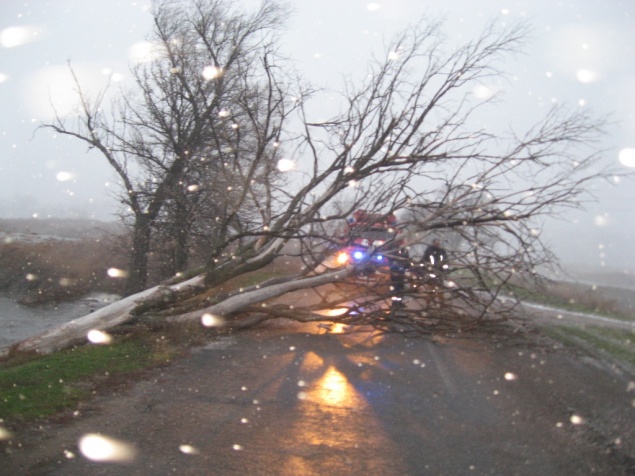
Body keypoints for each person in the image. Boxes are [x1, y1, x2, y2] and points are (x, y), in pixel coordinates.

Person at [419, 238, 448, 306]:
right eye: (436, 242)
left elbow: (445, 260)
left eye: (438, 242)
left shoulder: (442, 251)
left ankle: (442, 303)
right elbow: (424, 259)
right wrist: (425, 268)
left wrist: (445, 270)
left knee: (440, 288)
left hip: (440, 271)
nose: (437, 244)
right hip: (431, 271)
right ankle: (428, 303)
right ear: (433, 243)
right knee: (430, 287)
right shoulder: (429, 250)